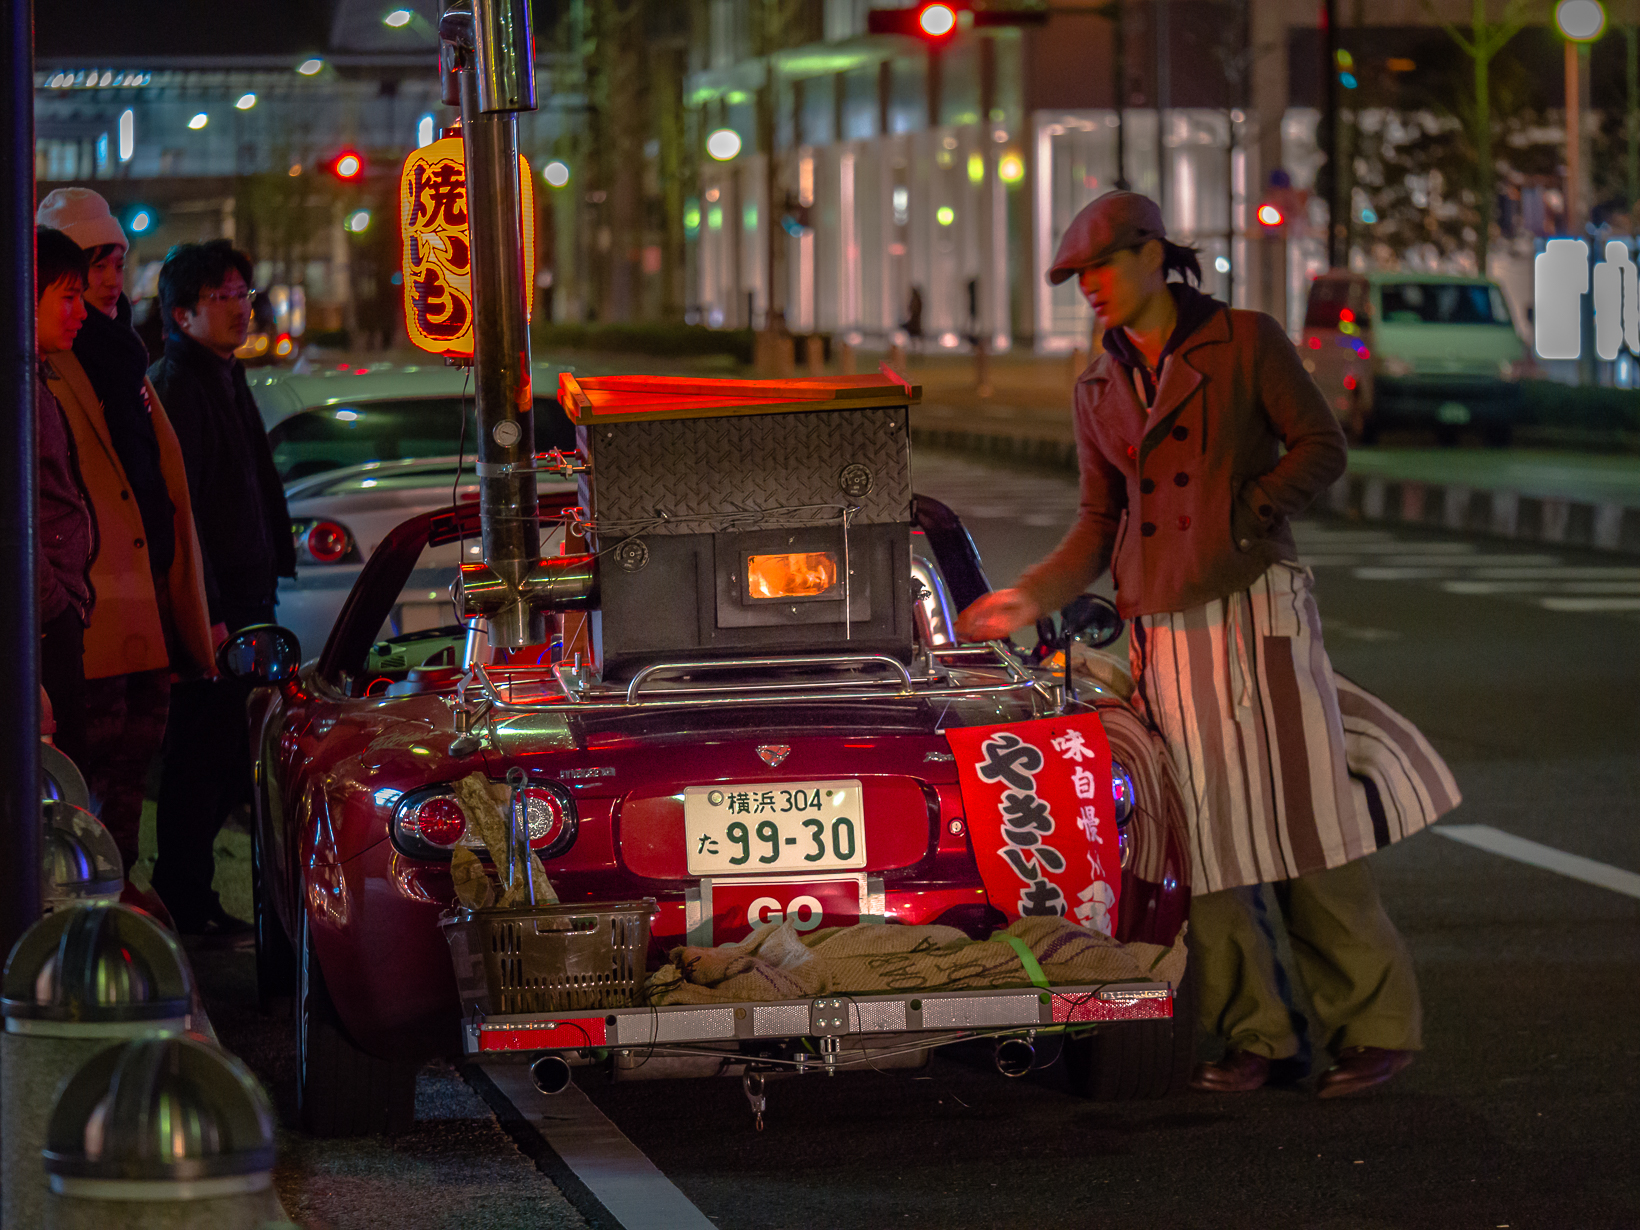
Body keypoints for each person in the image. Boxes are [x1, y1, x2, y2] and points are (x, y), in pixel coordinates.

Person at [956, 191, 1445, 1099]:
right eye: (1078, 276)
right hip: (1164, 633)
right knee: (1205, 843)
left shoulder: (1245, 342)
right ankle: (1257, 1035)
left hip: (1257, 608)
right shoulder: (1097, 387)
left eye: (1101, 266)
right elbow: (1098, 523)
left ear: (1153, 255)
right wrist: (1027, 596)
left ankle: (1373, 1027)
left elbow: (1320, 446)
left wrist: (1247, 513)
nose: (1090, 287)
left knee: (1305, 823)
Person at [34, 188, 216, 878]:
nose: (109, 281)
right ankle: (100, 901)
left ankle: (124, 890)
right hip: (90, 610)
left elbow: (159, 484)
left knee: (135, 767)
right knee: (88, 780)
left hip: (140, 600)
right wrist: (60, 601)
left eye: (117, 262)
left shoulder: (123, 357)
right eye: (92, 267)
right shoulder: (50, 364)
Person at [149, 239, 295, 935]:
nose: (241, 309)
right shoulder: (180, 386)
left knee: (230, 751)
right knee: (202, 755)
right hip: (218, 608)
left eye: (245, 294)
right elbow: (186, 514)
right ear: (182, 315)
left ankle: (193, 896)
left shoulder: (222, 376)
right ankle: (183, 898)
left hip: (242, 598)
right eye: (223, 297)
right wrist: (201, 610)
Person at [33, 227, 97, 769]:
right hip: (44, 617)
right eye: (69, 297)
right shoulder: (20, 391)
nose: (81, 312)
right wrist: (54, 602)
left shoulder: (37, 379)